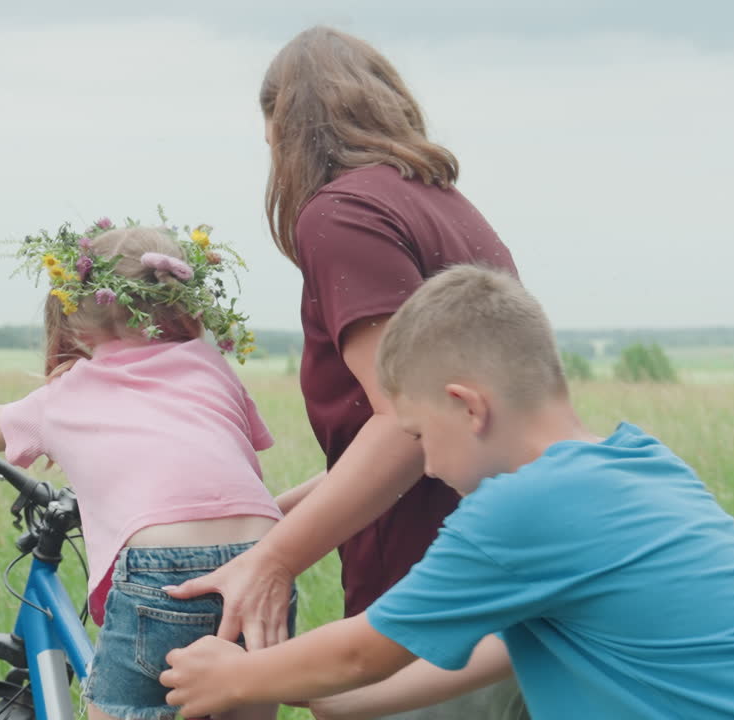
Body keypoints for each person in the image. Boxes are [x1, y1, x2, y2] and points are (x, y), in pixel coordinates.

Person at [159, 265, 734, 720]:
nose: (424, 468)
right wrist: (319, 697)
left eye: (422, 437)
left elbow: (364, 648)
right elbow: (486, 650)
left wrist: (234, 677)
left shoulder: (525, 509)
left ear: (469, 405)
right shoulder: (637, 463)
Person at [163, 26, 527, 719]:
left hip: (432, 593)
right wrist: (269, 519)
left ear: (285, 127)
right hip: (507, 577)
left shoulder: (344, 214)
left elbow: (409, 424)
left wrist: (272, 562)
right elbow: (424, 429)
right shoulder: (449, 207)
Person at [0, 221, 287, 720]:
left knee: (117, 709)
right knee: (245, 703)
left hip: (164, 564)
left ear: (77, 320)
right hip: (265, 557)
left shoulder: (70, 391)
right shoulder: (211, 363)